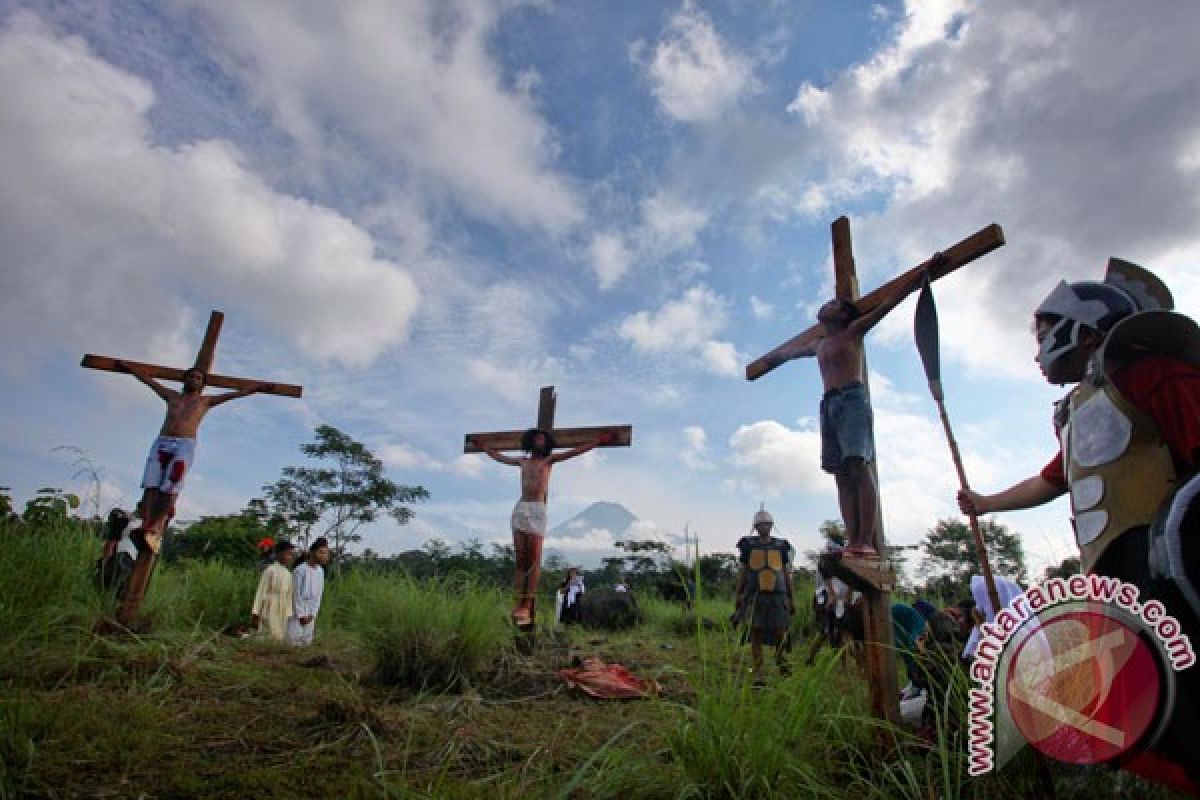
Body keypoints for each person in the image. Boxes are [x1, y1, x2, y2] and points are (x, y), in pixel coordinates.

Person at [956, 260, 1200, 792]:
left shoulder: (1151, 373)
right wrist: (985, 503)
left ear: (1086, 330)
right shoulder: (1079, 410)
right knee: (1142, 701)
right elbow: (1050, 481)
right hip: (1109, 573)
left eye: (1044, 336)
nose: (1038, 352)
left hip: (1161, 561)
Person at [771, 269, 928, 557]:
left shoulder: (853, 332)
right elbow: (785, 354)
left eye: (833, 304)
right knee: (840, 473)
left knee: (858, 464)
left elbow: (888, 303)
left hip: (852, 399)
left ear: (844, 315)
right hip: (828, 405)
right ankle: (852, 538)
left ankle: (864, 538)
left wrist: (918, 277)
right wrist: (768, 359)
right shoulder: (818, 344)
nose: (826, 305)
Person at [115, 361, 274, 628]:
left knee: (173, 483)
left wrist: (255, 389)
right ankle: (146, 523)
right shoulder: (172, 396)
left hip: (185, 443)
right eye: (191, 376)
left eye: (199, 377)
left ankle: (156, 525)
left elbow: (233, 395)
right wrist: (129, 368)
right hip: (163, 440)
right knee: (152, 483)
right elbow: (149, 381)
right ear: (185, 380)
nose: (195, 380)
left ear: (203, 383)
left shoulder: (206, 402)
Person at [474, 428, 612, 628]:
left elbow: (573, 452)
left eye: (543, 438)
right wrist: (484, 447)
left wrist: (598, 442)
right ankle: (518, 602)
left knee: (534, 559)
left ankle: (528, 602)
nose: (540, 440)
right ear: (531, 441)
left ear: (546, 443)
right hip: (521, 508)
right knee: (521, 560)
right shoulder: (523, 461)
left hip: (537, 509)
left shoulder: (549, 461)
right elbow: (499, 457)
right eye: (537, 438)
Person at [734, 508, 796, 683]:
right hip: (755, 594)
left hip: (778, 595)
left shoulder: (781, 546)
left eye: (767, 524)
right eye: (761, 524)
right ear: (755, 526)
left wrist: (792, 598)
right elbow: (744, 572)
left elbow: (785, 572)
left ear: (771, 525)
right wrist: (738, 595)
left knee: (780, 631)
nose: (764, 527)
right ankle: (758, 671)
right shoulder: (748, 545)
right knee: (755, 632)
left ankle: (781, 660)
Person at [288, 538, 330, 646]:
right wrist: (301, 615)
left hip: (311, 610)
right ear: (312, 552)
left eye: (326, 553)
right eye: (321, 552)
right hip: (297, 610)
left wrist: (313, 614)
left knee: (307, 641)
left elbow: (318, 595)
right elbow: (295, 594)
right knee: (294, 640)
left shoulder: (320, 570)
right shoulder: (299, 570)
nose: (324, 555)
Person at [251, 540, 296, 641]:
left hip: (282, 609)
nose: (290, 557)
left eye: (291, 555)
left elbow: (289, 595)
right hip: (269, 606)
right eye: (288, 554)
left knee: (279, 635)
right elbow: (260, 592)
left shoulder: (288, 574)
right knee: (268, 633)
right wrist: (255, 612)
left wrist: (288, 612)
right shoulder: (270, 570)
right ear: (279, 554)